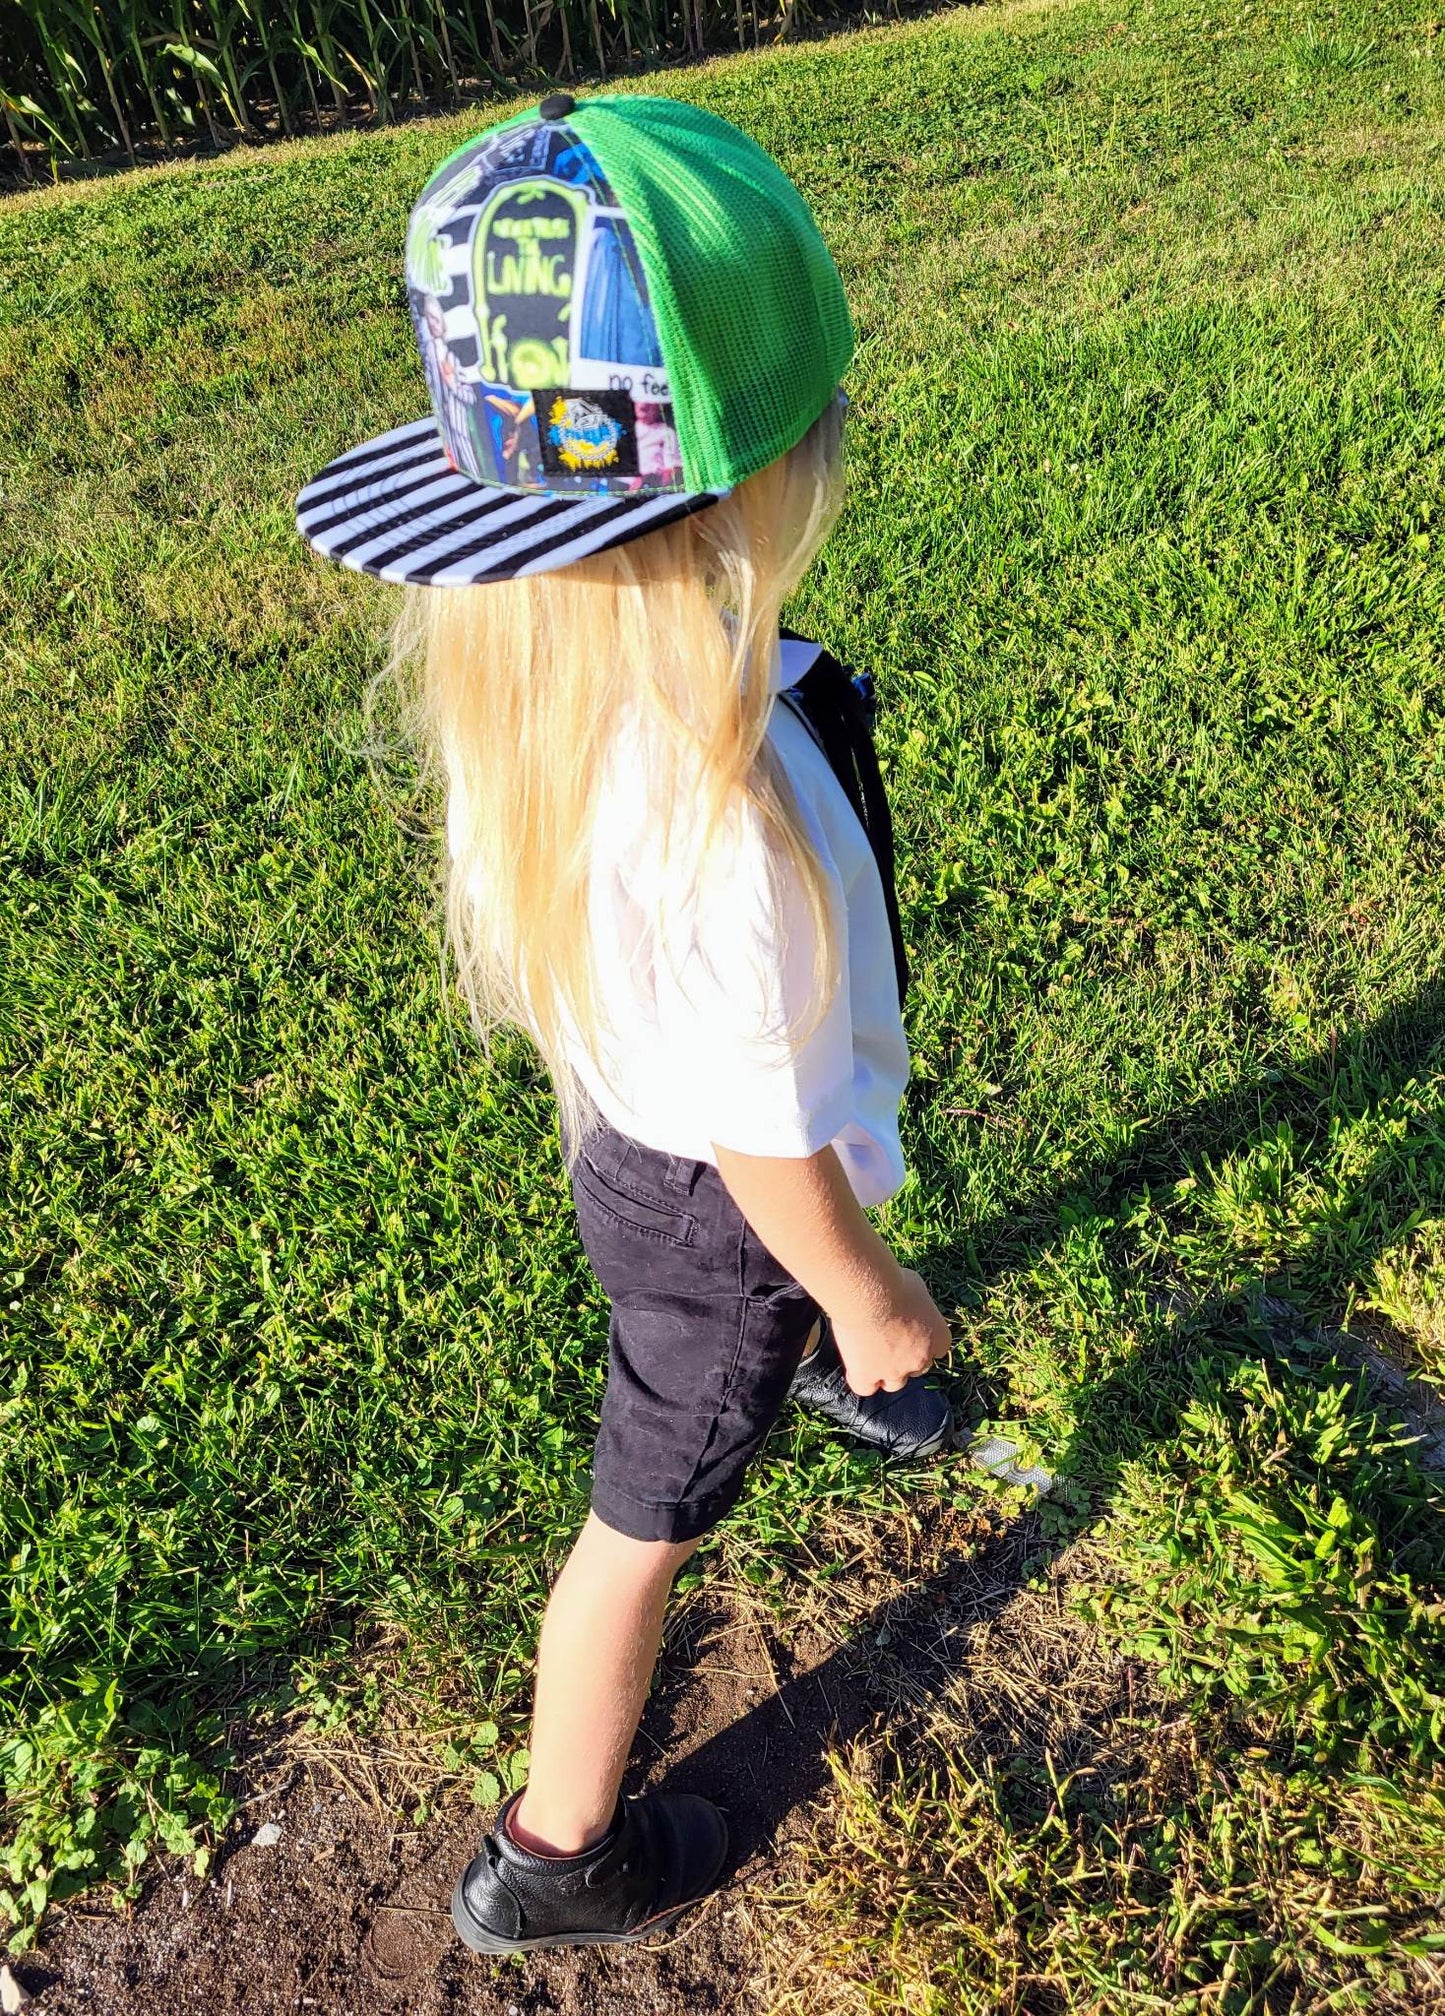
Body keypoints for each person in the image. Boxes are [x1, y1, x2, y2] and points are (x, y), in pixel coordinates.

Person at [296, 89, 954, 1957]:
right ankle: (556, 1851)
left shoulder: (551, 700)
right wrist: (861, 1292)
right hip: (728, 1219)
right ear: (775, 468)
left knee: (701, 1371)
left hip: (644, 1171)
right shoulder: (725, 815)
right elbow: (766, 1134)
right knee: (642, 1518)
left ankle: (806, 1360)